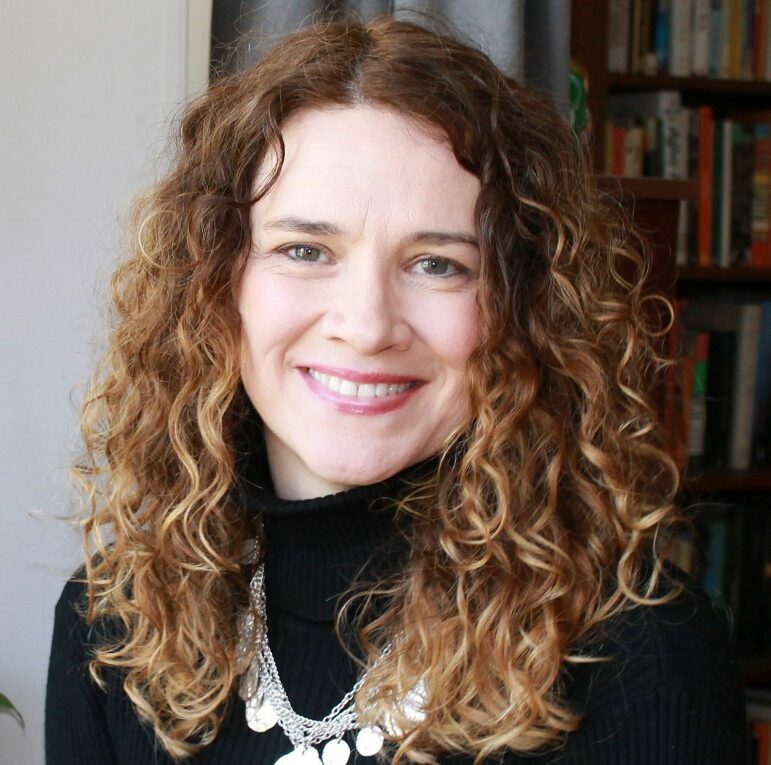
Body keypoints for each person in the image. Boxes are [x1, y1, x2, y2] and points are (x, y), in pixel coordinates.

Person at [45, 14, 749, 765]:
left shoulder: (640, 651)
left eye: (438, 263)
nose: (367, 324)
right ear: (216, 284)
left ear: (521, 305)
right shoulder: (114, 621)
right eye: (306, 249)